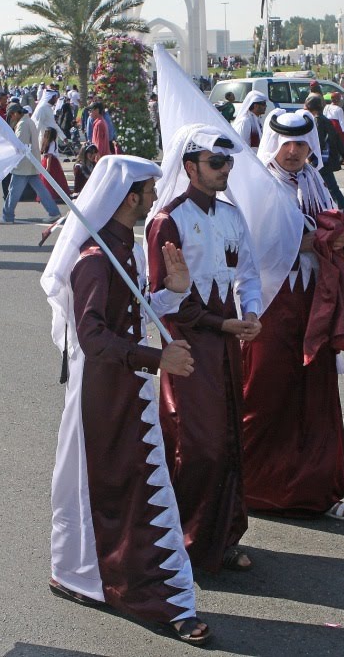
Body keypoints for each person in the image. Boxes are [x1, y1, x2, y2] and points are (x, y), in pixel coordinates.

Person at [41, 154, 210, 645]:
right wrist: (158, 361)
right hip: (107, 397)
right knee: (139, 493)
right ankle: (161, 599)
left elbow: (129, 316)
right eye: (148, 190)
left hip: (127, 389)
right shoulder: (94, 260)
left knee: (121, 490)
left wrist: (172, 294)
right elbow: (94, 338)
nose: (155, 197)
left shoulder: (123, 250)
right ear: (128, 198)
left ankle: (82, 575)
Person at [147, 125, 263, 573]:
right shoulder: (167, 221)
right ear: (190, 167)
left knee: (231, 436)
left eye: (228, 162)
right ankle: (185, 541)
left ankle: (224, 537)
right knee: (197, 444)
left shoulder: (233, 216)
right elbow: (164, 298)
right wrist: (221, 323)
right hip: (188, 348)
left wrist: (252, 313)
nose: (225, 170)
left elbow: (247, 274)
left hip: (227, 343)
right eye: (216, 163)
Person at [241, 109, 344, 522]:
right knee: (266, 389)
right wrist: (310, 242)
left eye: (301, 143)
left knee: (316, 393)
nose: (293, 152)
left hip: (313, 297)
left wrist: (340, 239)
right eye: (286, 143)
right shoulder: (259, 183)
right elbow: (253, 246)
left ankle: (315, 489)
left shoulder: (314, 181)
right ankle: (254, 485)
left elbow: (331, 231)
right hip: (273, 301)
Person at [0, 104, 59, 224]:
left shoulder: (22, 124)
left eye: (11, 115)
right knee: (41, 190)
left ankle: (7, 217)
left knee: (13, 191)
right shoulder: (29, 121)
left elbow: (20, 145)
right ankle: (54, 212)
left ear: (16, 113)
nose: (11, 118)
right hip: (32, 161)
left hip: (23, 163)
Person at [305, 95, 344, 223]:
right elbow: (337, 139)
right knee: (324, 189)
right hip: (324, 161)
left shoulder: (317, 121)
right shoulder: (325, 120)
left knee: (331, 188)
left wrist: (309, 156)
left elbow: (319, 143)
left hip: (320, 162)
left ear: (310, 107)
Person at [39, 126, 72, 206]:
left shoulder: (45, 142)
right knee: (56, 178)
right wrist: (48, 166)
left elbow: (45, 154)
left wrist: (46, 166)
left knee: (46, 180)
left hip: (46, 161)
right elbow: (50, 155)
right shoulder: (52, 142)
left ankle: (46, 196)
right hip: (52, 162)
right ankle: (55, 195)